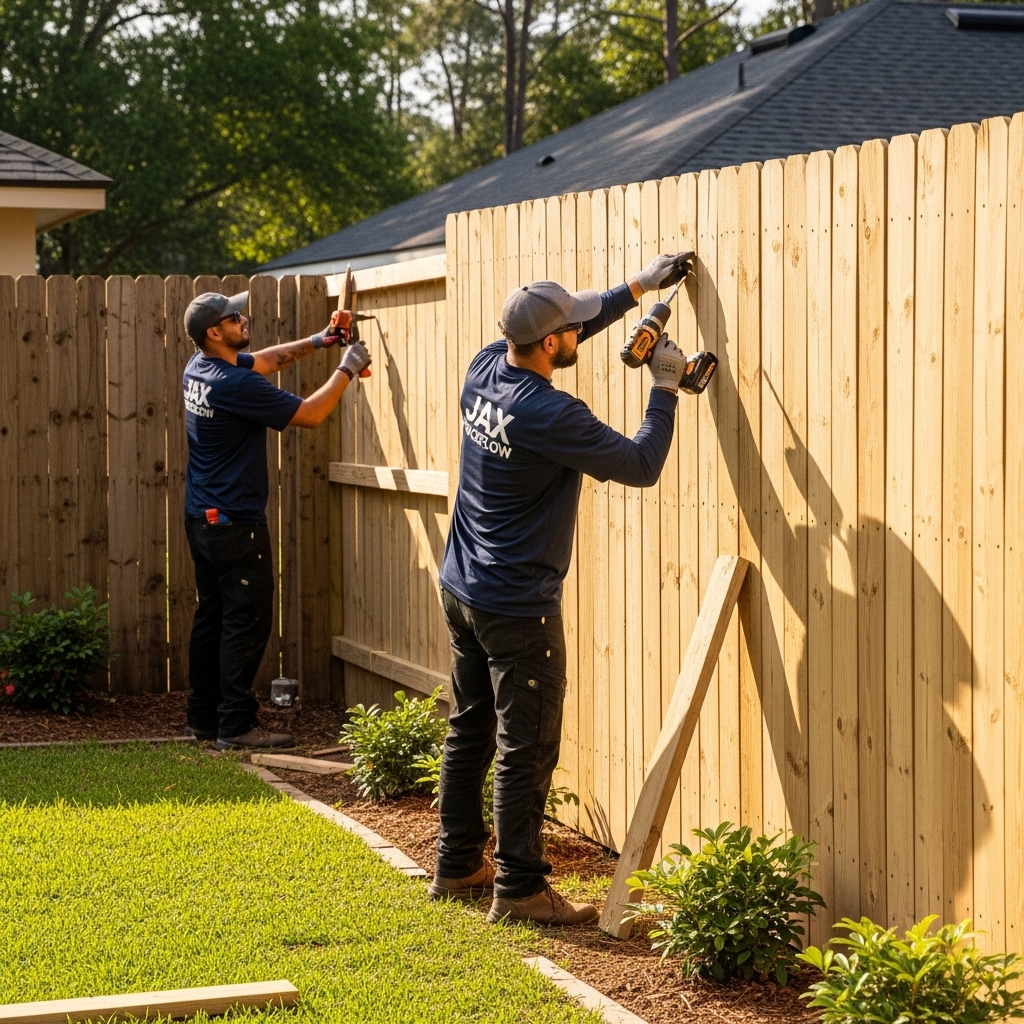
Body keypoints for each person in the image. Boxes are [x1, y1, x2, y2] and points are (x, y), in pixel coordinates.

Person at [430, 253, 692, 925]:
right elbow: (639, 464)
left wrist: (638, 290)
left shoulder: (486, 365)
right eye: (571, 326)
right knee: (527, 747)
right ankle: (518, 889)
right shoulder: (552, 414)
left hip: (462, 586)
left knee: (470, 726)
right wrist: (664, 388)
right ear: (550, 344)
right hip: (518, 607)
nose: (580, 329)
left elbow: (568, 328)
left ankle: (458, 864)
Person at [180, 291, 371, 750]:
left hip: (202, 518)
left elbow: (262, 361)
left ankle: (202, 719)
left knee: (213, 617)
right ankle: (236, 726)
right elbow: (310, 414)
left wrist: (322, 341)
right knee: (245, 621)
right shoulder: (233, 385)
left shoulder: (199, 368)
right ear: (214, 332)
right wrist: (348, 366)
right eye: (234, 317)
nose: (244, 317)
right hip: (235, 523)